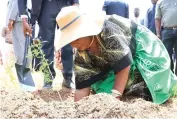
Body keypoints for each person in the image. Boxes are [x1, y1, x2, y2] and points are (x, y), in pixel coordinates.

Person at [55, 6, 177, 104]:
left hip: (141, 49)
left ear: (85, 31)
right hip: (121, 63)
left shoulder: (108, 31)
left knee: (150, 89)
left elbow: (124, 65)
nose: (73, 43)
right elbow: (82, 86)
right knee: (103, 94)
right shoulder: (81, 54)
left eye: (75, 37)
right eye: (69, 40)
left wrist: (114, 100)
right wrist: (79, 109)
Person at [18, 0, 79, 89]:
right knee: (46, 44)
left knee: (68, 44)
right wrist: (24, 17)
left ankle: (68, 78)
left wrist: (76, 2)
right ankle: (48, 78)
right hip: (45, 6)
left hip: (66, 5)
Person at [5, 0, 36, 91]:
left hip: (18, 20)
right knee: (26, 51)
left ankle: (25, 83)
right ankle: (27, 82)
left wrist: (11, 19)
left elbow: (16, 2)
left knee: (21, 52)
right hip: (26, 19)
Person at [155, 0, 177, 75]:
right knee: (167, 55)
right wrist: (158, 34)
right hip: (167, 31)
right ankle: (170, 75)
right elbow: (157, 18)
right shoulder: (160, 2)